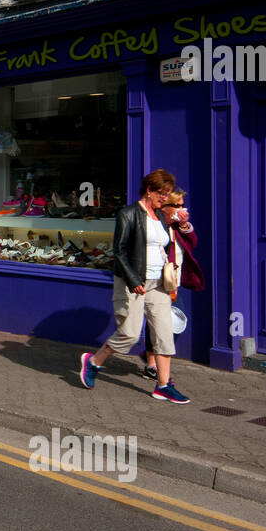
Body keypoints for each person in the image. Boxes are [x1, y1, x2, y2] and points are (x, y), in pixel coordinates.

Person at [80, 168, 191, 404]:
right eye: (161, 193)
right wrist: (133, 280)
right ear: (149, 190)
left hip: (159, 284)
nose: (165, 198)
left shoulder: (161, 216)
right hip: (133, 283)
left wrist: (183, 224)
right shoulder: (128, 214)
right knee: (129, 334)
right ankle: (94, 361)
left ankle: (163, 385)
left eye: (168, 193)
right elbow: (118, 252)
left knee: (163, 333)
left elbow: (177, 241)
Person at [141, 188, 206, 381]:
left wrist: (184, 224)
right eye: (177, 205)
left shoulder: (178, 227)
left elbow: (192, 243)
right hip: (156, 282)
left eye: (182, 205)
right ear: (164, 207)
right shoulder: (156, 226)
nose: (181, 208)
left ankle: (152, 359)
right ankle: (155, 367)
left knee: (173, 322)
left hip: (173, 283)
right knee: (160, 323)